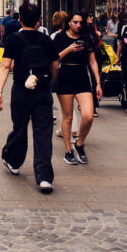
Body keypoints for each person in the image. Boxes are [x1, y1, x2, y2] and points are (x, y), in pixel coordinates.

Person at [0, 2, 60, 194]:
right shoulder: (46, 40)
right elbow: (55, 66)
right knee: (43, 132)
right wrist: (48, 83)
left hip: (21, 91)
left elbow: (5, 66)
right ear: (39, 20)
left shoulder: (13, 39)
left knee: (20, 127)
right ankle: (45, 178)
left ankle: (14, 161)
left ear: (20, 19)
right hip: (42, 91)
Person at [53, 12, 102, 165]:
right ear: (69, 22)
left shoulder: (87, 37)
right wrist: (69, 49)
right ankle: (68, 151)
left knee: (88, 116)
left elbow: (93, 62)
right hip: (65, 75)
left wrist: (98, 83)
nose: (78, 25)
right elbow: (54, 59)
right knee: (68, 117)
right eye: (75, 22)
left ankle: (79, 144)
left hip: (82, 77)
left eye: (80, 22)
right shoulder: (60, 37)